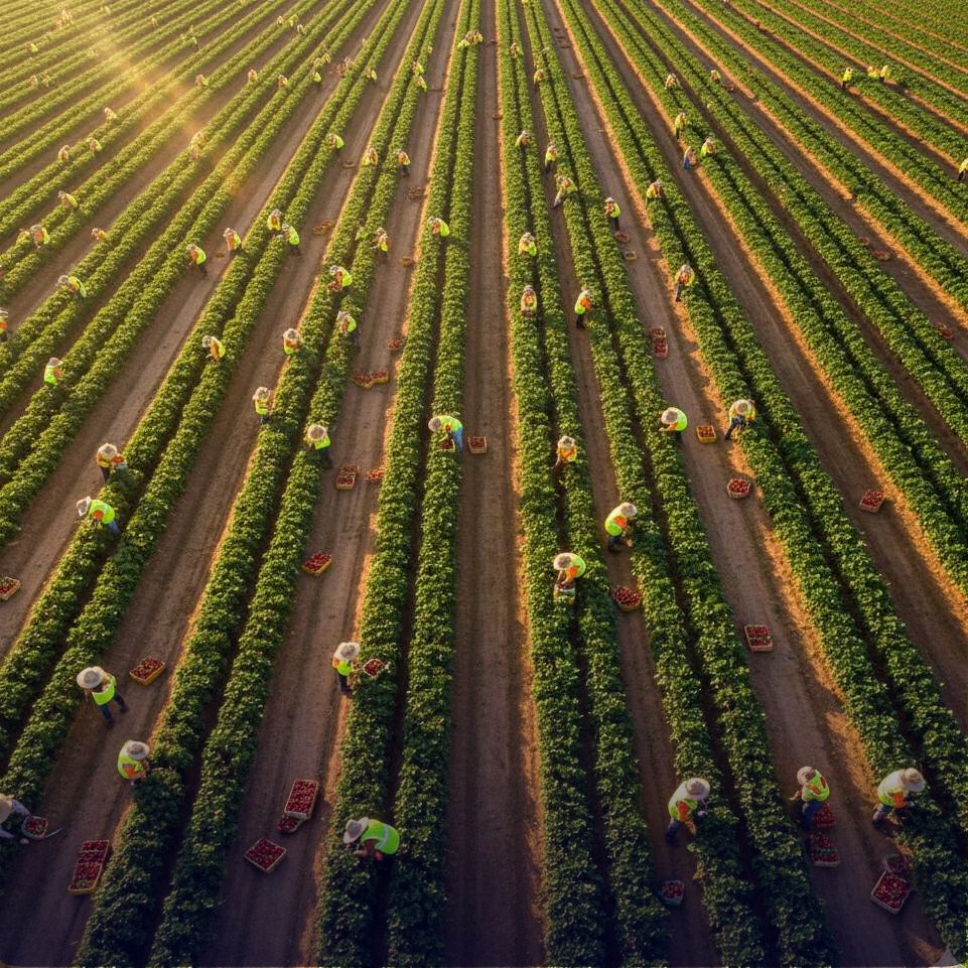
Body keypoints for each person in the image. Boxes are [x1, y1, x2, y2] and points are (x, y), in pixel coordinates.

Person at [666, 777, 710, 846]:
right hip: (676, 813)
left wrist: (701, 803)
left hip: (676, 804)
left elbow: (697, 796)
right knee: (675, 824)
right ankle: (669, 837)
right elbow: (682, 818)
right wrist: (691, 818)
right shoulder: (683, 804)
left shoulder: (687, 786)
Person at [792, 766, 830, 831]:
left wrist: (801, 797)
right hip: (825, 792)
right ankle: (819, 807)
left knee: (807, 810)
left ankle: (807, 826)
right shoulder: (816, 774)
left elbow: (806, 798)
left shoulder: (810, 787)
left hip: (819, 798)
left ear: (807, 782)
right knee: (814, 804)